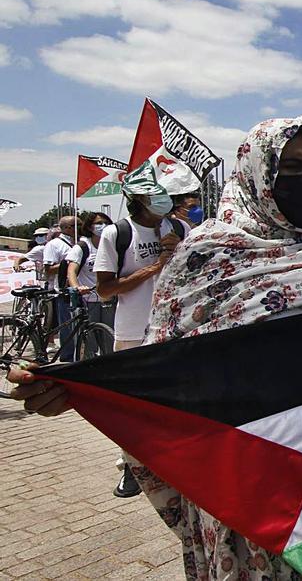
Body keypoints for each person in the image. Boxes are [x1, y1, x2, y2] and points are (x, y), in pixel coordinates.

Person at [10, 117, 302, 580]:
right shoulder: (206, 257)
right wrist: (79, 391)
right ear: (258, 170)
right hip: (257, 484)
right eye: (292, 165)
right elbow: (168, 381)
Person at [94, 167, 188, 497]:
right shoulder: (117, 234)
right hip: (133, 332)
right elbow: (105, 290)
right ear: (138, 200)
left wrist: (178, 256)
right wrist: (155, 267)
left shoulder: (178, 228)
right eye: (154, 194)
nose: (162, 199)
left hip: (173, 331)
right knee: (133, 406)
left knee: (177, 402)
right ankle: (131, 466)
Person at [65, 211, 116, 355]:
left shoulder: (112, 245)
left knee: (110, 340)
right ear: (89, 227)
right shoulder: (82, 247)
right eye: (99, 223)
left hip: (108, 299)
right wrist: (77, 287)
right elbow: (71, 271)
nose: (103, 226)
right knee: (89, 341)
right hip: (88, 300)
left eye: (106, 223)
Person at [42, 216, 82, 362]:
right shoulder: (54, 245)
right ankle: (67, 358)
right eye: (76, 225)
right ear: (66, 228)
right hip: (64, 291)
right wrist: (70, 263)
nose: (80, 227)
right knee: (68, 327)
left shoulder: (81, 243)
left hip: (81, 289)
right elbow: (48, 270)